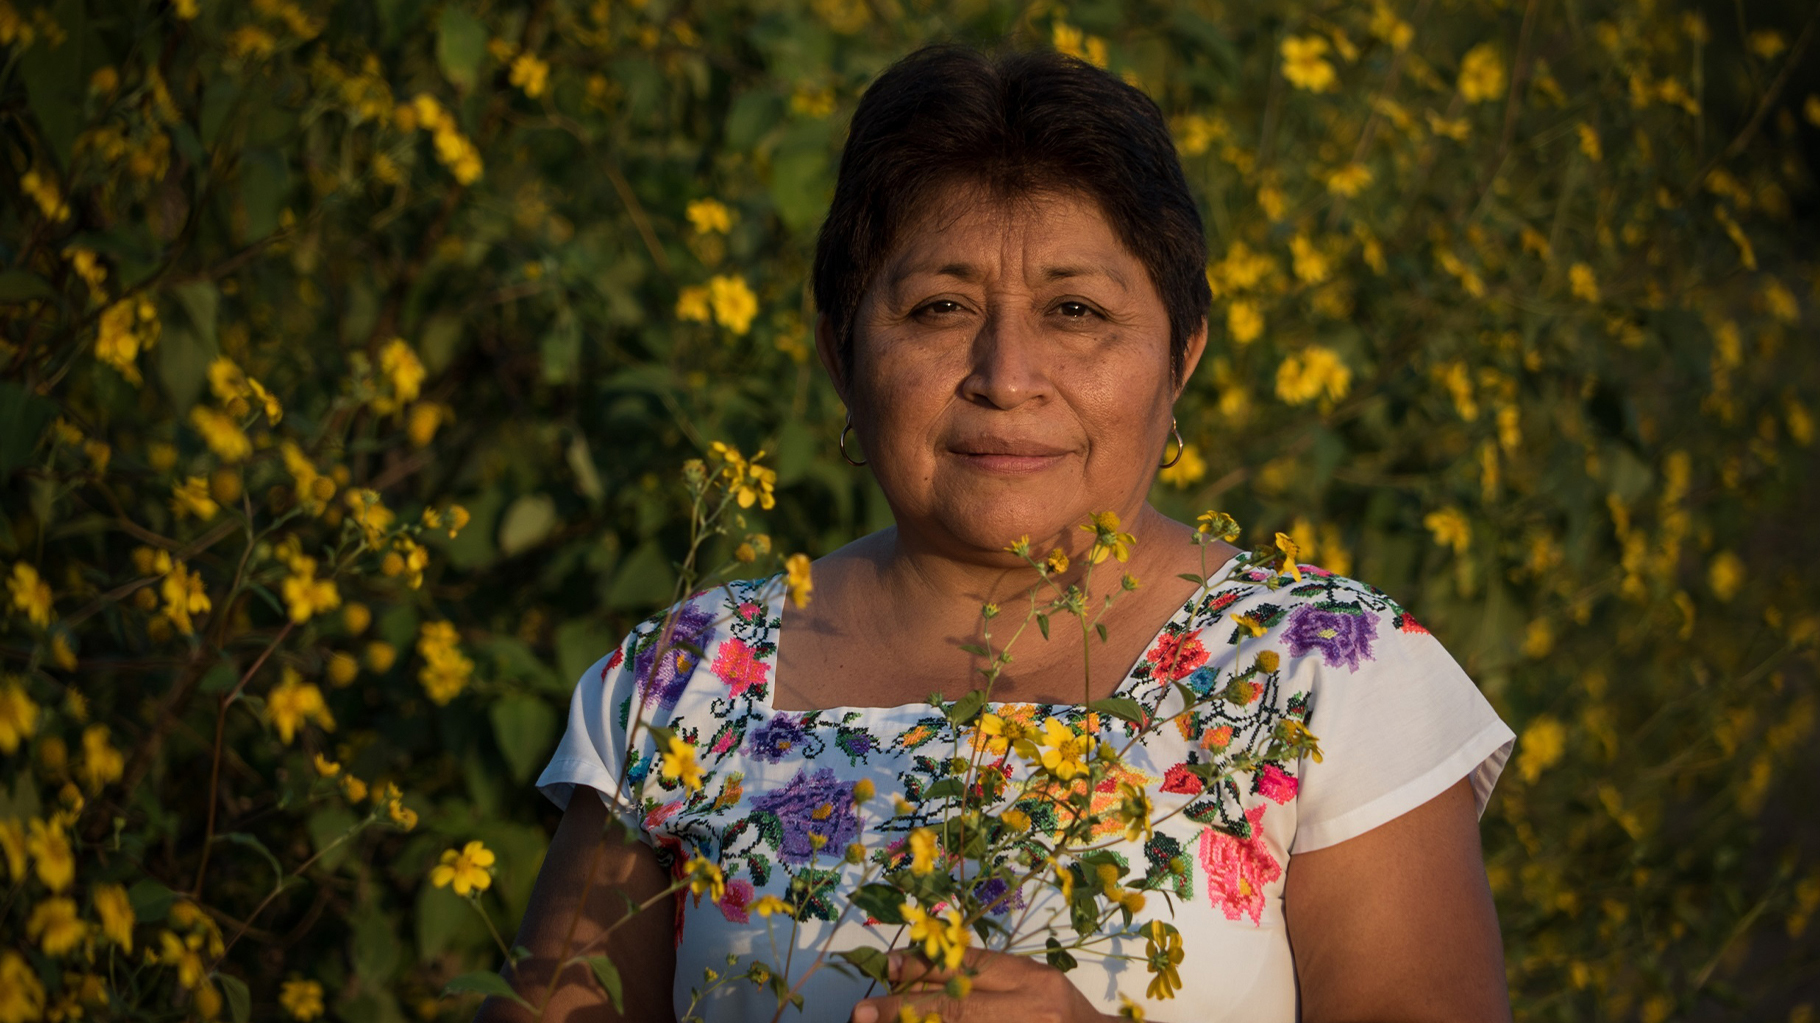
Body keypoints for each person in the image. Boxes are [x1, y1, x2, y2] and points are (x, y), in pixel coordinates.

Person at [490, 45, 1516, 1023]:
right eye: (938, 308)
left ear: (1183, 354)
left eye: (1075, 311)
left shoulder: (1326, 672)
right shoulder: (683, 684)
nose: (1005, 376)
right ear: (839, 353)